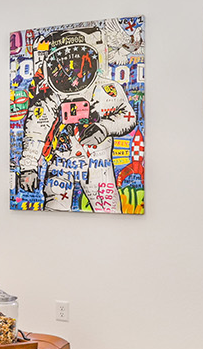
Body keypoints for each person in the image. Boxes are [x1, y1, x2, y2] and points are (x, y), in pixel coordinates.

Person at [15, 27, 138, 212]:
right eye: (64, 66)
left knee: (109, 212)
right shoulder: (48, 97)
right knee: (54, 212)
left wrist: (103, 128)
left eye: (79, 63)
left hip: (98, 162)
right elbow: (35, 133)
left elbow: (128, 116)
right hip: (61, 160)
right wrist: (28, 167)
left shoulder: (106, 89)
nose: (72, 75)